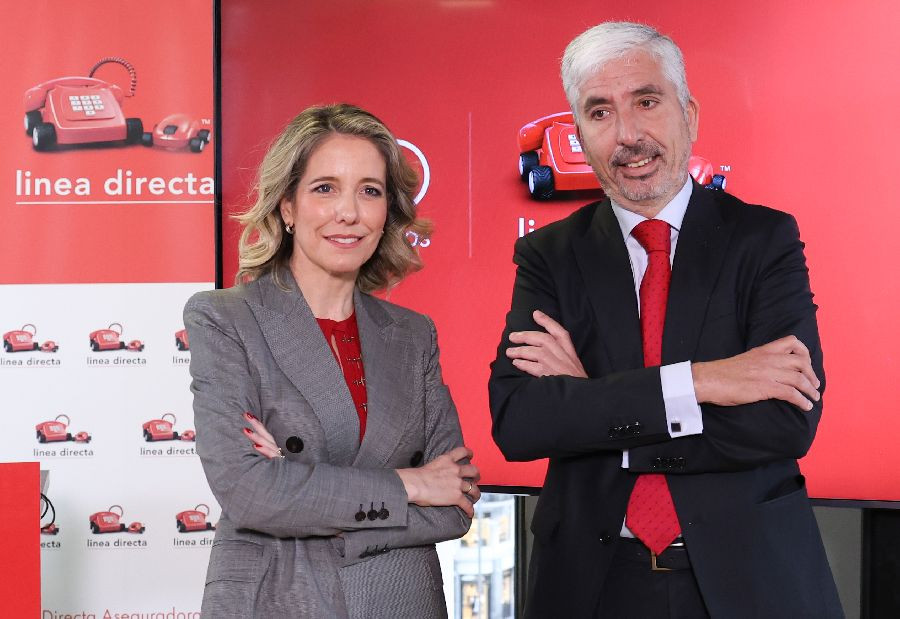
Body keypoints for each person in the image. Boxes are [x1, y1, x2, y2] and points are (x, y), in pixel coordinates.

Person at [488, 22, 842, 619]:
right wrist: (702, 381)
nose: (628, 135)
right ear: (580, 134)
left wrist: (594, 404)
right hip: (591, 586)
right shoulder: (549, 255)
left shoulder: (763, 239)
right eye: (600, 112)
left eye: (647, 102)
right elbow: (522, 423)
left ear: (689, 115)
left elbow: (786, 422)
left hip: (750, 582)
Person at [185, 103, 480, 618]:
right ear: (287, 206)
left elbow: (455, 504)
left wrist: (300, 489)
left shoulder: (413, 335)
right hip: (279, 600)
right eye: (325, 188)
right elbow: (249, 493)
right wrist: (411, 485)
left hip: (399, 601)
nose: (349, 212)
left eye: (370, 191)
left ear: (388, 212)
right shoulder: (226, 318)